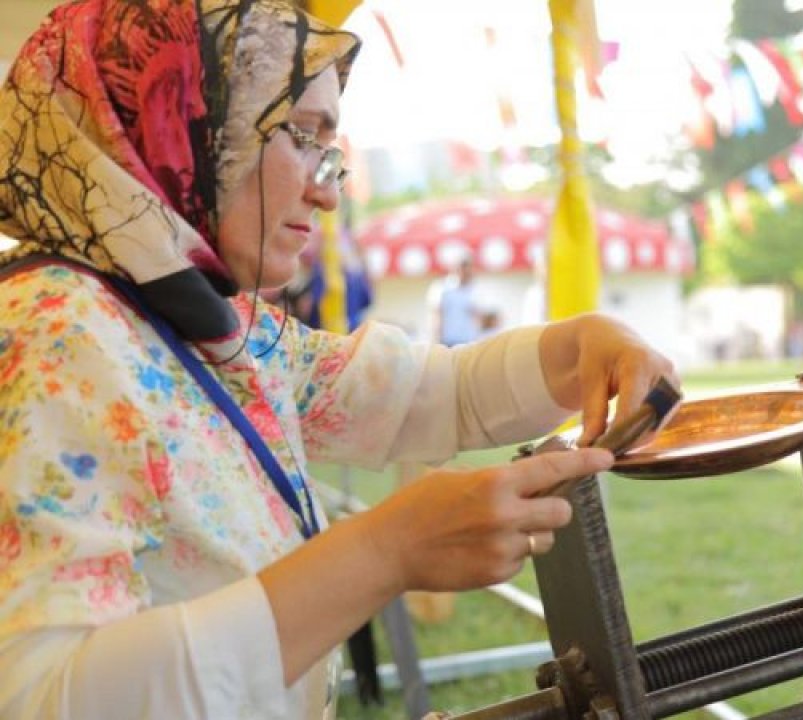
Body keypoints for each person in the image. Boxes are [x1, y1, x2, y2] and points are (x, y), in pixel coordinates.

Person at [0, 2, 676, 719]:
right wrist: (383, 552)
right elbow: (39, 697)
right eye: (301, 135)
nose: (326, 190)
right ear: (177, 117)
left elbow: (428, 394)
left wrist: (584, 344)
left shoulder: (204, 322)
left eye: (332, 151)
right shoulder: (57, 332)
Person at [437, 256, 483, 346]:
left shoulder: (476, 290)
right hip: (448, 341)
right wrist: (436, 339)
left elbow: (478, 317)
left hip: (469, 341)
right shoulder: (443, 288)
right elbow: (438, 314)